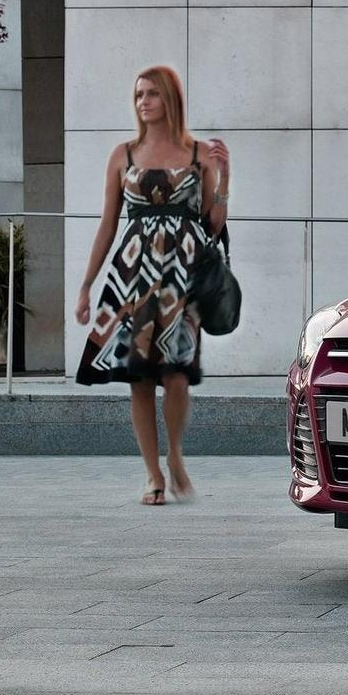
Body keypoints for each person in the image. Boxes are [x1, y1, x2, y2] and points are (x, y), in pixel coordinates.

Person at [74, 66, 230, 506]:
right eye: (139, 94)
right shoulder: (123, 155)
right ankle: (152, 475)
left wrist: (225, 180)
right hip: (132, 278)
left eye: (152, 94)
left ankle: (175, 455)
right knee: (139, 379)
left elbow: (214, 225)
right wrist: (86, 286)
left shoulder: (199, 153)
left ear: (170, 99)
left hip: (183, 277)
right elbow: (108, 225)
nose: (143, 102)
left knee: (177, 374)